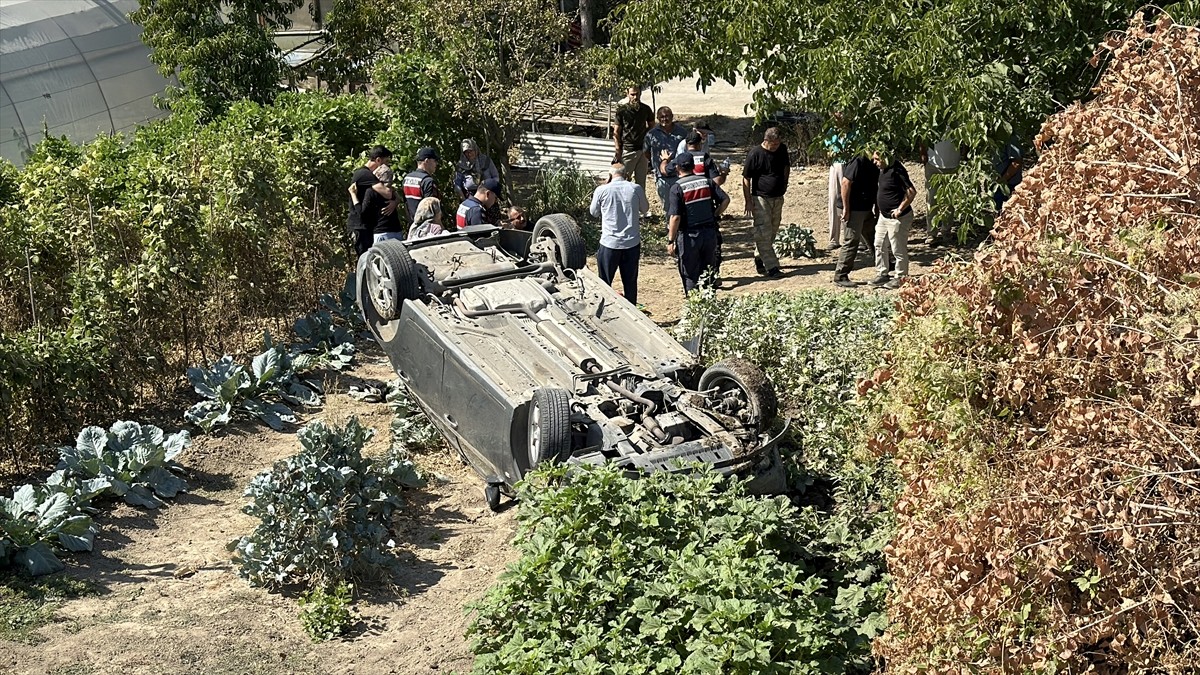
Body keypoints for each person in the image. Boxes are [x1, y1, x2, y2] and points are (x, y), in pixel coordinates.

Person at [667, 152, 730, 294]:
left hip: (690, 237)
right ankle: (709, 304)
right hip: (709, 233)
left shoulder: (677, 188)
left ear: (677, 168)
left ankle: (694, 307)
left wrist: (671, 240)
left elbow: (675, 217)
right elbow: (725, 200)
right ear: (694, 166)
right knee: (708, 271)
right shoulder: (707, 182)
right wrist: (715, 214)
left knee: (690, 273)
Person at [589, 164, 650, 304]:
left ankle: (604, 311)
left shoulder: (602, 190)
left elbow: (594, 212)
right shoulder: (635, 189)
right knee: (630, 282)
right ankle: (633, 312)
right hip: (631, 243)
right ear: (626, 175)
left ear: (610, 176)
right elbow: (645, 209)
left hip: (610, 243)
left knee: (604, 282)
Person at [742, 127, 789, 278]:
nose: (775, 147)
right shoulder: (755, 153)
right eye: (773, 144)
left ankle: (759, 256)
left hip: (778, 197)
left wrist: (785, 183)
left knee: (773, 229)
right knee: (763, 231)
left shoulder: (782, 149)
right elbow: (746, 178)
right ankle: (772, 266)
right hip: (760, 198)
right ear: (766, 140)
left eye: (778, 143)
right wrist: (748, 201)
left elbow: (786, 166)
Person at [832, 151, 880, 287]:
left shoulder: (876, 162)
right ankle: (840, 275)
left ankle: (884, 263)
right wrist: (847, 209)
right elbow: (845, 183)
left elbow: (876, 185)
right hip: (853, 208)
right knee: (851, 240)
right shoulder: (859, 160)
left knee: (872, 236)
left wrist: (876, 207)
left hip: (865, 206)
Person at [869, 150, 916, 290]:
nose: (874, 162)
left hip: (898, 218)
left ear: (886, 157)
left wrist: (899, 210)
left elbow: (911, 191)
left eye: (877, 159)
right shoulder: (883, 169)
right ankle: (882, 273)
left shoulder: (897, 170)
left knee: (898, 248)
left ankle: (901, 277)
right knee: (879, 243)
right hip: (884, 217)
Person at [347, 145, 397, 257]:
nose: (387, 165)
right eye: (386, 162)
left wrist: (396, 201)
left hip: (365, 223)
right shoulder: (365, 175)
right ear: (378, 160)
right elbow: (387, 193)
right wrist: (394, 198)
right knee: (364, 259)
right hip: (360, 224)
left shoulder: (364, 174)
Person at [644, 106, 690, 210]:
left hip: (679, 175)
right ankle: (669, 225)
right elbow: (646, 153)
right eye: (662, 117)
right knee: (667, 206)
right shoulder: (651, 134)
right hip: (661, 177)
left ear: (672, 116)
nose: (665, 119)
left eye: (667, 116)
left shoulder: (682, 132)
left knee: (682, 204)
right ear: (658, 118)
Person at [612, 86, 654, 192]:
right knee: (623, 182)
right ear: (627, 94)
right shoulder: (622, 111)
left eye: (637, 94)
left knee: (641, 184)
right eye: (632, 94)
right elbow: (616, 132)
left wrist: (646, 139)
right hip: (628, 150)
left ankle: (640, 207)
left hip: (642, 151)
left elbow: (652, 126)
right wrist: (618, 150)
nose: (635, 97)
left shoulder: (646, 109)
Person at [921, 138, 961, 245]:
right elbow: (923, 136)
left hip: (953, 165)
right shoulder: (931, 121)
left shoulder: (959, 121)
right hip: (933, 165)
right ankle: (931, 233)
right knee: (931, 199)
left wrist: (964, 155)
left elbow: (964, 139)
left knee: (950, 201)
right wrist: (923, 155)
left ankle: (946, 231)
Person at [362, 162, 404, 243]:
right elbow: (399, 198)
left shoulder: (371, 191)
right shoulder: (392, 191)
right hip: (396, 230)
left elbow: (364, 212)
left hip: (381, 231)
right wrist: (395, 202)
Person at [403, 147, 441, 222]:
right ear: (426, 161)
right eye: (434, 161)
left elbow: (406, 205)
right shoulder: (428, 181)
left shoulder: (407, 178)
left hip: (413, 225)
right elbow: (431, 209)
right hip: (426, 226)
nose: (436, 164)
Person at [993, 136, 1023, 213]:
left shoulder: (1009, 137)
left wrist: (1003, 180)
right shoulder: (992, 136)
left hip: (1008, 184)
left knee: (1008, 214)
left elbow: (1016, 163)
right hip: (996, 184)